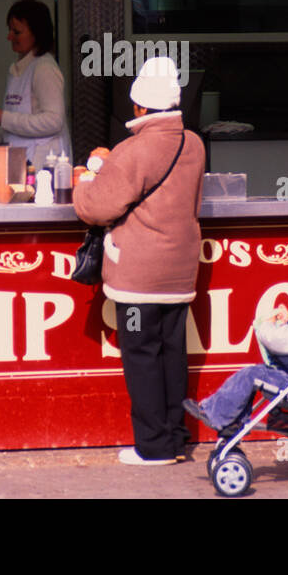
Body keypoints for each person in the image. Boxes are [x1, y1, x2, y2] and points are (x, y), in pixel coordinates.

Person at [73, 56, 206, 466]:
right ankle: (176, 436)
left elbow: (95, 208)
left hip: (137, 280)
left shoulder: (132, 150)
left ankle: (152, 447)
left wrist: (87, 174)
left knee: (141, 353)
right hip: (180, 274)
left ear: (140, 108)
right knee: (171, 352)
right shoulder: (194, 143)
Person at [182, 274, 288, 434]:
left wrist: (268, 324)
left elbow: (273, 340)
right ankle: (230, 420)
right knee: (254, 375)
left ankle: (217, 415)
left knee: (249, 375)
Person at [0, 0, 70, 171]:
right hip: (22, 161)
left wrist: (4, 118)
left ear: (37, 33)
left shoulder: (44, 68)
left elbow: (54, 121)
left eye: (17, 32)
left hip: (42, 165)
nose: (9, 37)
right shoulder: (18, 69)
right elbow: (16, 121)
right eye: (10, 30)